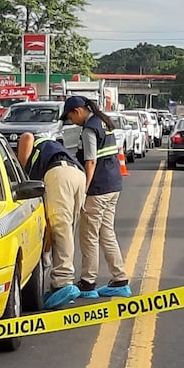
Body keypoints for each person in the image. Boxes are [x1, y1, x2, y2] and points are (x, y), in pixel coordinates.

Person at [62, 95, 131, 299]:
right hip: (113, 185)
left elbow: (90, 162)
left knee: (89, 236)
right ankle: (119, 280)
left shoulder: (89, 128)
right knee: (106, 233)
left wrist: (83, 191)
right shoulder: (103, 121)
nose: (71, 121)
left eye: (70, 117)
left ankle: (87, 282)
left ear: (78, 111)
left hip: (98, 188)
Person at [16, 132, 86, 309]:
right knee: (66, 230)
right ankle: (60, 282)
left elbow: (26, 137)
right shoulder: (51, 146)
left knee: (60, 229)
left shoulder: (29, 139)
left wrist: (20, 178)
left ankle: (63, 282)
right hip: (77, 174)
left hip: (59, 173)